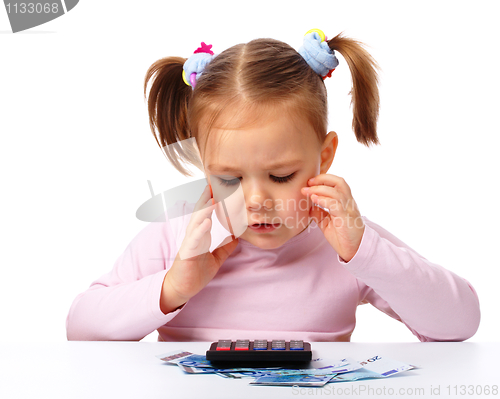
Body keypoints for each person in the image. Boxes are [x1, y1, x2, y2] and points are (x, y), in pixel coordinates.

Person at [66, 30, 480, 342]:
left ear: (323, 156)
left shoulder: (345, 240)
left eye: (281, 176)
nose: (256, 200)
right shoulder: (176, 236)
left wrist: (365, 251)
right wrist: (172, 288)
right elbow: (80, 326)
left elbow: (459, 324)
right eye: (228, 178)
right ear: (205, 166)